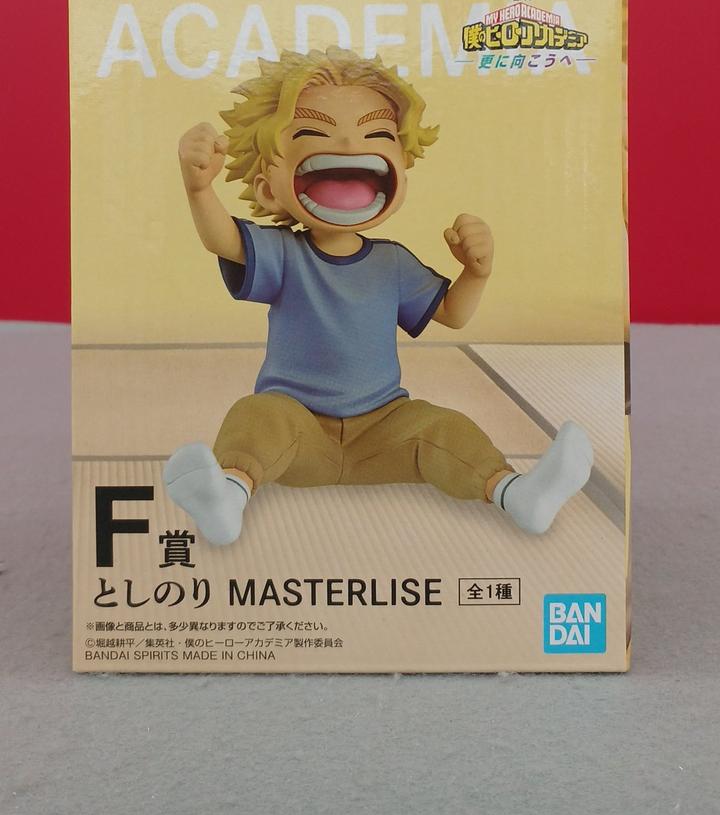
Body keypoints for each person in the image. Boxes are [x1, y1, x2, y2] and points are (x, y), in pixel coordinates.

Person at [164, 47, 592, 545]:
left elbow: (452, 314)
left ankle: (517, 494)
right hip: (298, 431)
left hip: (385, 430)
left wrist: (477, 272)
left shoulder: (393, 262)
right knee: (256, 416)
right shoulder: (284, 252)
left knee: (442, 426)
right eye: (312, 133)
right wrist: (199, 190)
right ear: (267, 190)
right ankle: (228, 495)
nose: (349, 144)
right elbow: (223, 240)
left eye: (376, 135)